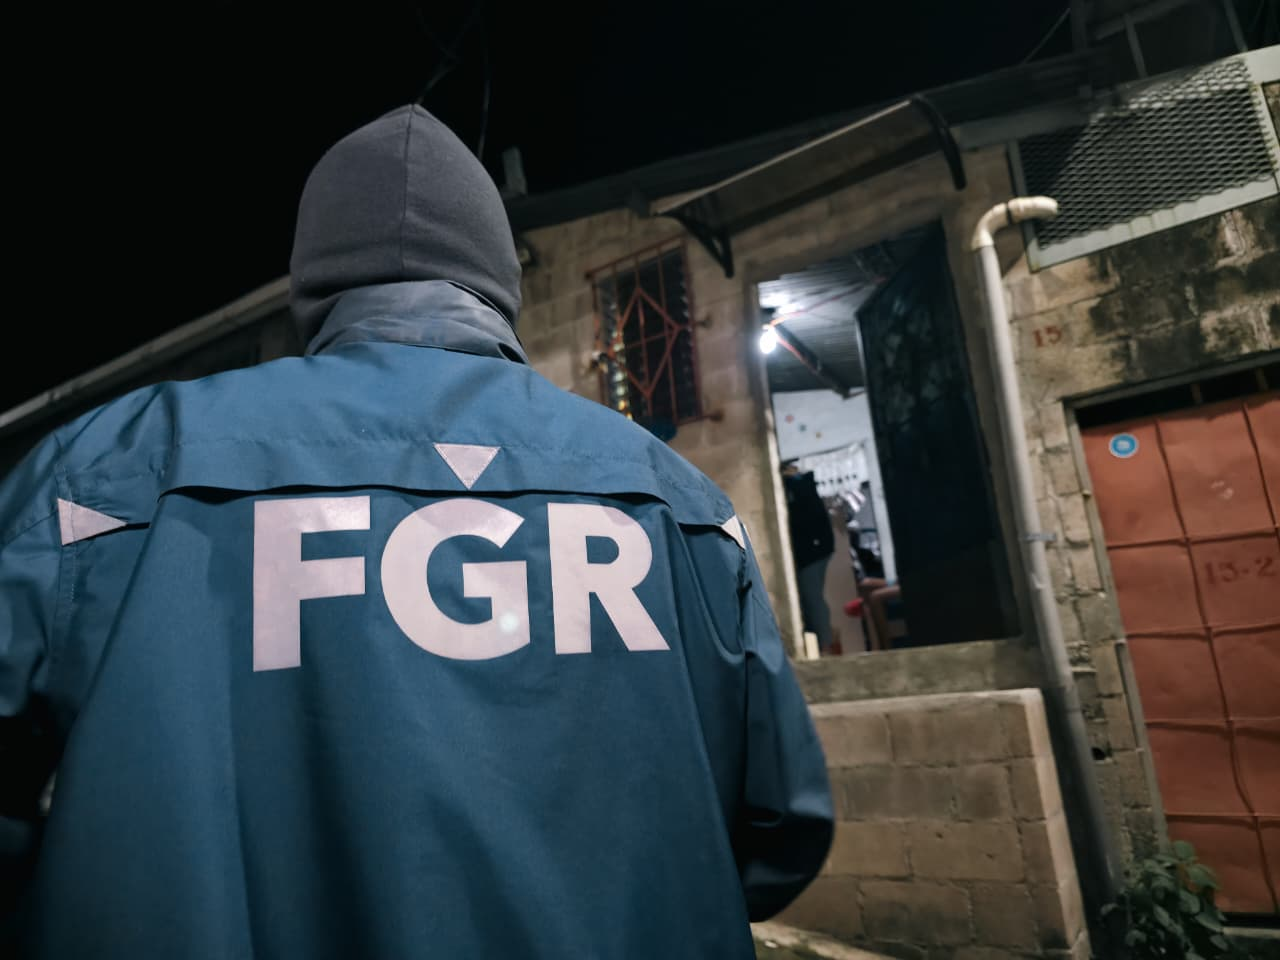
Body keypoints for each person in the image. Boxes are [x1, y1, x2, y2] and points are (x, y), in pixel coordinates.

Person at [0, 105, 832, 958]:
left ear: (314, 283)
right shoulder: (678, 503)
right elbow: (781, 826)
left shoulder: (103, 475)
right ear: (499, 282)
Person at [782, 462, 835, 653]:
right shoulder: (801, 485)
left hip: (812, 551)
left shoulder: (797, 486)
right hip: (816, 549)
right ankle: (821, 645)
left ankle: (824, 646)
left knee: (812, 597)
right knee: (811, 598)